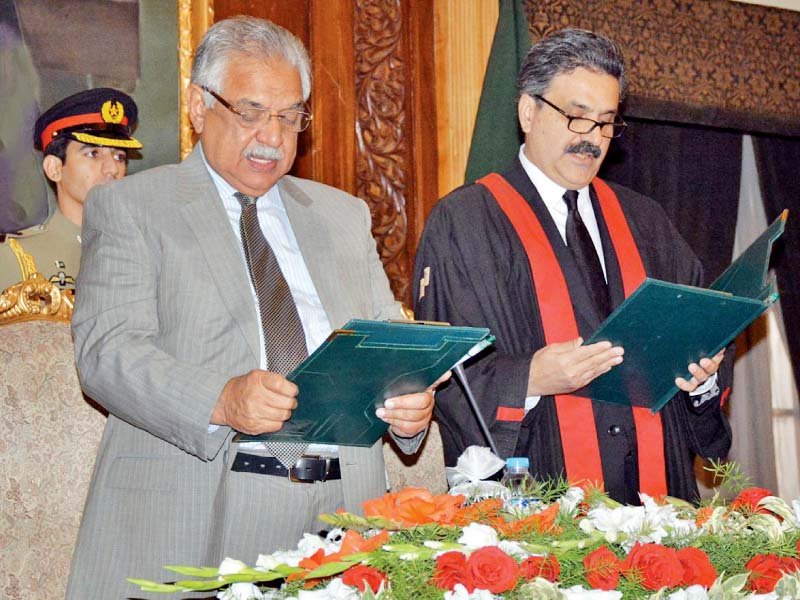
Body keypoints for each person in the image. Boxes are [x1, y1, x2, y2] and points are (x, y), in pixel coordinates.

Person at [67, 16, 435, 599]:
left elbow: (386, 345)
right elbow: (106, 353)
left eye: (291, 117)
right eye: (251, 113)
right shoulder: (133, 207)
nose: (273, 137)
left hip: (342, 520)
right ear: (197, 107)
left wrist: (410, 403)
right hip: (199, 510)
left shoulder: (343, 217)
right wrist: (219, 399)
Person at [413, 29, 731, 505]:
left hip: (656, 502)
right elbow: (441, 376)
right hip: (536, 502)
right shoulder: (465, 222)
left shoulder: (646, 221)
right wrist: (532, 377)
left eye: (605, 123)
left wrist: (701, 375)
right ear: (527, 111)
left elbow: (698, 337)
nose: (593, 140)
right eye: (576, 117)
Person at [0, 87, 140, 292]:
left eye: (119, 157)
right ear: (54, 168)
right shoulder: (16, 259)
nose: (112, 169)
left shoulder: (140, 258)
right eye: (93, 153)